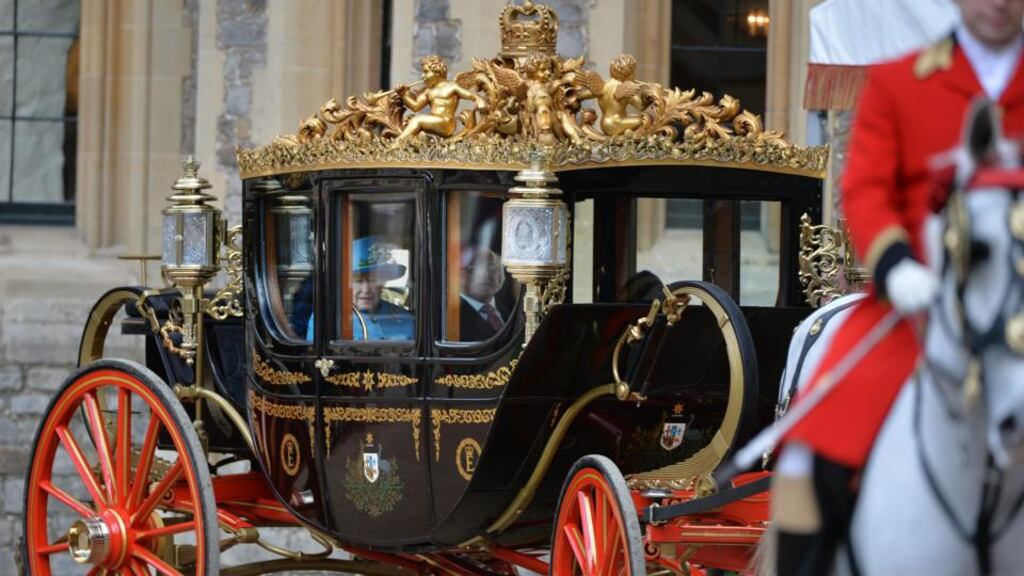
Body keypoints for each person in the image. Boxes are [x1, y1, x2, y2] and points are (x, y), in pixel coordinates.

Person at [774, 1, 1024, 574]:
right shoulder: (899, 82)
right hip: (914, 311)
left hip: (1017, 304)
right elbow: (864, 190)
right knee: (804, 459)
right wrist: (897, 266)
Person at [307, 236, 414, 341]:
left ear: (383, 282)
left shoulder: (404, 317)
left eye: (372, 280)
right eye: (358, 281)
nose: (365, 289)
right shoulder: (326, 320)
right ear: (345, 284)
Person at [459, 247, 511, 341]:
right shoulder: (448, 318)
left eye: (491, 266)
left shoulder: (512, 310)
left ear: (501, 273)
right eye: (473, 268)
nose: (485, 274)